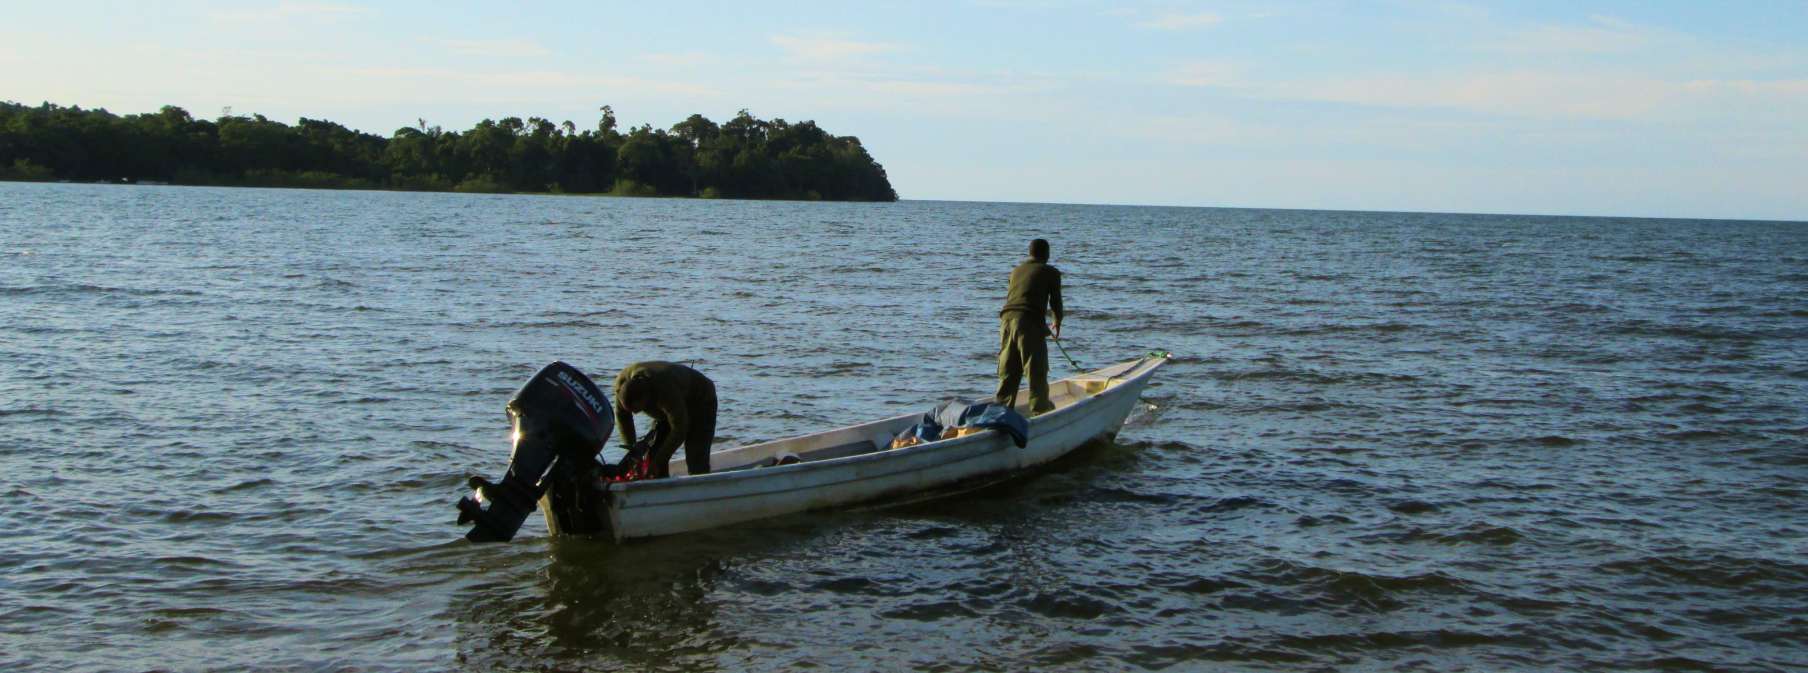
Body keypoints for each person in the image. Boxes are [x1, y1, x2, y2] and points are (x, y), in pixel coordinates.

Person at [612, 361, 717, 478]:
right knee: (652, 454)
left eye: (638, 409)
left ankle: (701, 488)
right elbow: (623, 420)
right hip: (668, 407)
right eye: (630, 410)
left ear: (646, 397)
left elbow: (679, 430)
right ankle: (660, 488)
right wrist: (633, 456)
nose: (635, 413)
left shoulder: (664, 389)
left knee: (696, 458)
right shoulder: (621, 387)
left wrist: (658, 462)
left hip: (700, 399)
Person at [995, 238, 1064, 415]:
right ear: (1046, 254)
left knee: (1009, 370)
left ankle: (1002, 411)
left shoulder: (1016, 271)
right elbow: (1055, 302)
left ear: (1030, 253)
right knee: (1036, 370)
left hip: (1006, 321)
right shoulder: (1051, 272)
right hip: (1028, 322)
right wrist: (1057, 322)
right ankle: (1041, 410)